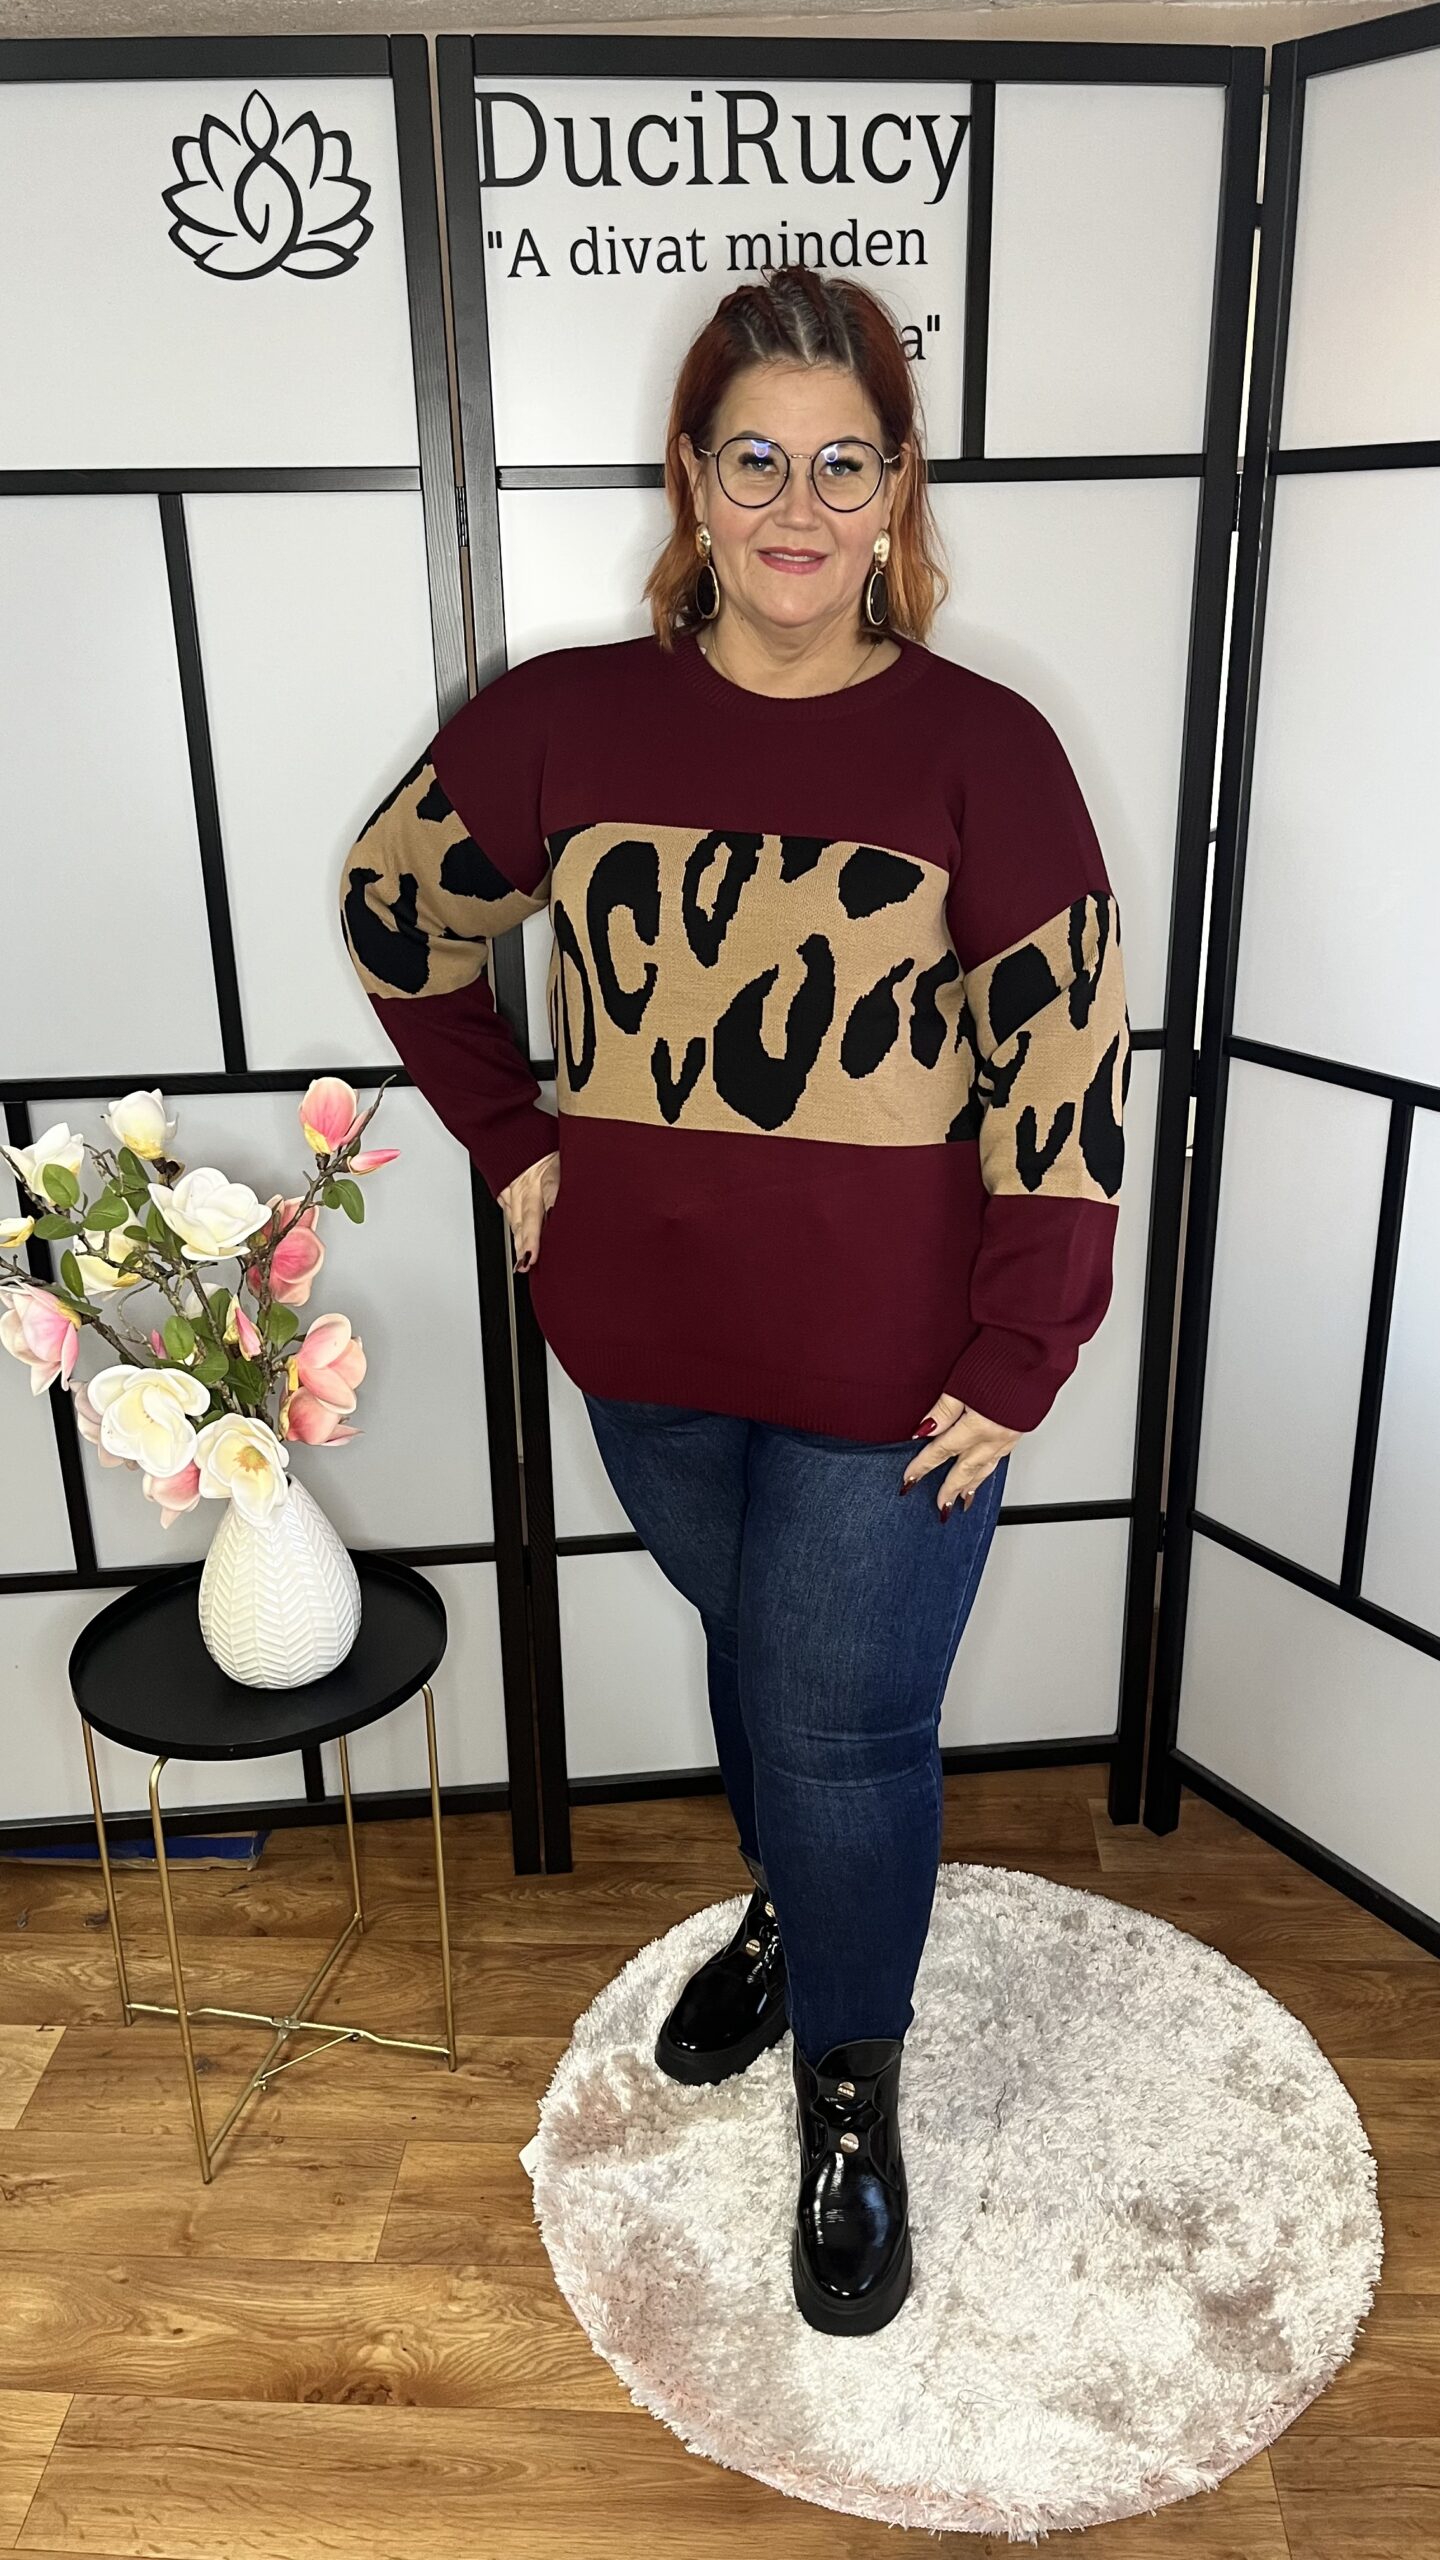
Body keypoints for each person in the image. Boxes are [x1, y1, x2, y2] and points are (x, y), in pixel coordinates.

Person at [339, 265, 1130, 2337]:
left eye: (842, 465)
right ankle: (796, 1918)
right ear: (692, 479)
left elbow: (1062, 1072)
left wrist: (1025, 1348)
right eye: (756, 460)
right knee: (765, 1662)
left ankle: (849, 2104)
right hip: (649, 1348)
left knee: (842, 1724)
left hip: (903, 1375)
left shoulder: (984, 753)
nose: (798, 506)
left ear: (897, 491)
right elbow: (397, 911)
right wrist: (511, 1133)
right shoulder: (566, 724)